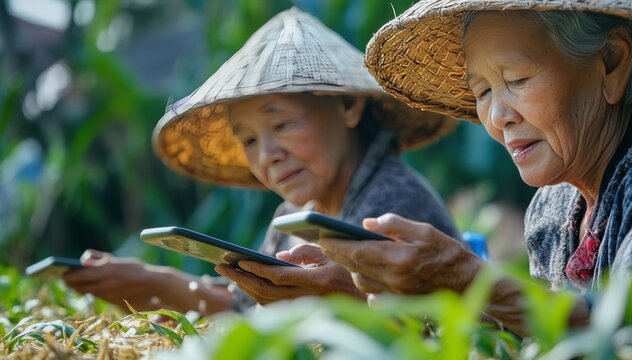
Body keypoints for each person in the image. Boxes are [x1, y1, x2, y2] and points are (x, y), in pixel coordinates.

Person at [317, 0, 632, 336]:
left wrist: (468, 280)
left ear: (611, 63)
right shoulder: (551, 206)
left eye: (519, 79)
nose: (497, 116)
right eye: (484, 91)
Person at [63, 7, 459, 314]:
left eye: (282, 124)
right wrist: (152, 282)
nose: (267, 155)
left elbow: (418, 323)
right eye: (249, 140)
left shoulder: (392, 206)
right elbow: (248, 307)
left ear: (348, 106)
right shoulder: (291, 217)